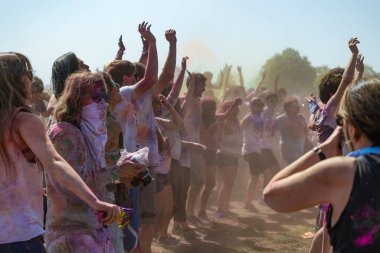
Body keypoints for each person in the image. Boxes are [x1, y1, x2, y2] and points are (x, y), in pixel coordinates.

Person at [0, 52, 118, 252]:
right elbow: (54, 163)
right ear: (19, 79)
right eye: (28, 73)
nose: (31, 79)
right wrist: (95, 201)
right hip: (20, 235)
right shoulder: (23, 120)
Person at [264, 77, 380, 252]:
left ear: (352, 125)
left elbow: (273, 195)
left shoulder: (344, 172)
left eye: (342, 120)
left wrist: (323, 150)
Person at [46, 72, 140, 253]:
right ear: (76, 99)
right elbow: (77, 181)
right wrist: (116, 172)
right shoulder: (66, 133)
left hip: (91, 229)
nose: (103, 104)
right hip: (73, 234)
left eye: (104, 97)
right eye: (95, 97)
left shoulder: (86, 133)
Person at [215, 99, 243, 218]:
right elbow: (221, 139)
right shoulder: (223, 123)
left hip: (234, 155)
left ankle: (225, 206)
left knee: (230, 184)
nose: (236, 111)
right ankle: (220, 208)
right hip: (225, 154)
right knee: (227, 183)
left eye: (237, 109)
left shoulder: (237, 122)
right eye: (233, 108)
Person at [241, 97, 270, 210]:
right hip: (250, 150)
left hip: (257, 150)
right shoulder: (249, 116)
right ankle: (251, 201)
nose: (260, 107)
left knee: (255, 177)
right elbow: (241, 125)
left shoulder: (261, 117)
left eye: (261, 105)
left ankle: (248, 202)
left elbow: (260, 133)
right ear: (252, 106)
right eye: (258, 105)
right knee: (262, 174)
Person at [274, 97, 308, 164]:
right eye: (295, 106)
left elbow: (306, 132)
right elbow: (272, 131)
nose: (298, 107)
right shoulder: (282, 119)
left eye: (298, 105)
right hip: (289, 150)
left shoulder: (301, 117)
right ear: (288, 108)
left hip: (301, 148)